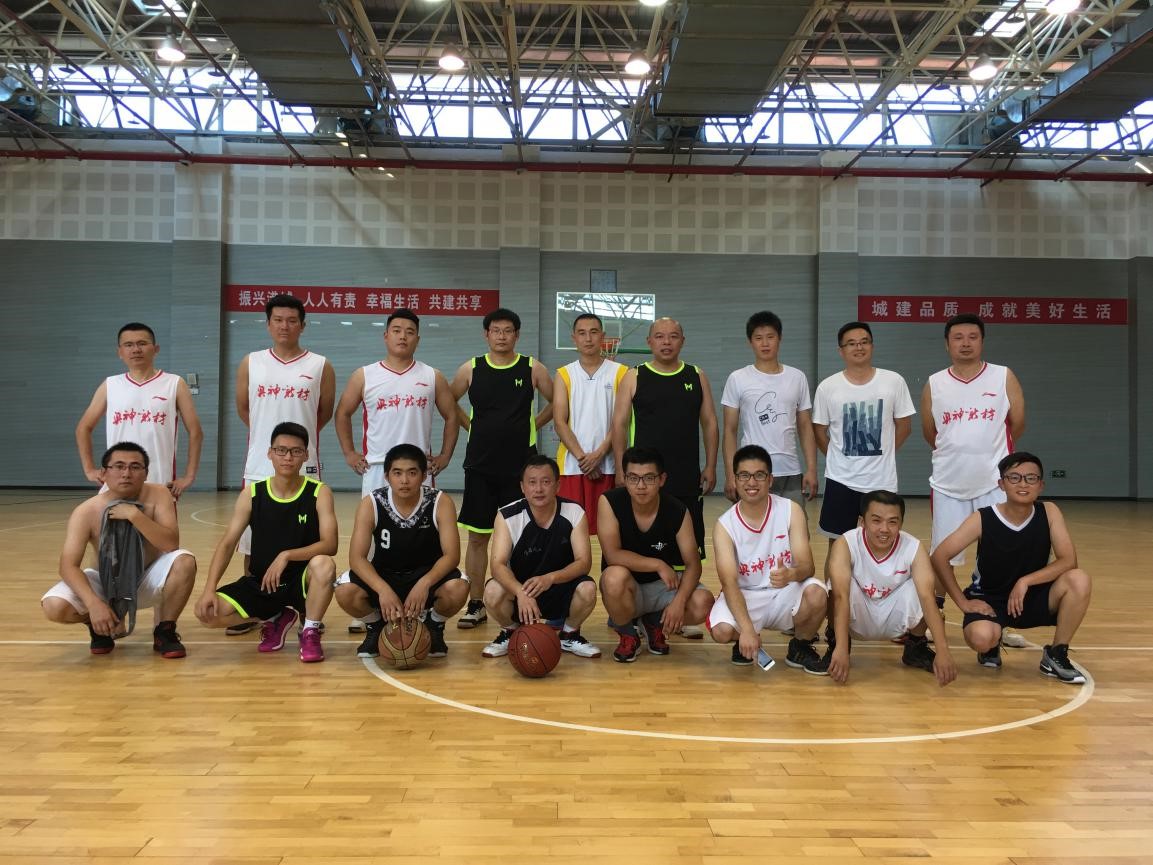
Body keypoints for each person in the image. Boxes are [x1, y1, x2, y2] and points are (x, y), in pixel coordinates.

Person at [931, 451, 1092, 684]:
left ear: (1041, 485)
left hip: (1032, 597)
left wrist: (1025, 581)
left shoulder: (1049, 512)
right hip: (990, 600)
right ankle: (991, 645)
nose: (1023, 484)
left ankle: (1056, 653)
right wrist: (963, 602)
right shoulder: (983, 518)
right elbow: (940, 556)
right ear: (1001, 484)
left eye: (1031, 478)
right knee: (981, 638)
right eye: (1014, 478)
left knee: (1079, 579)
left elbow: (1068, 561)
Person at [230, 293, 335, 636]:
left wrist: (296, 448)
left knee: (308, 539)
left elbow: (324, 413)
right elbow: (244, 408)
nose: (284, 326)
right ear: (268, 324)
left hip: (304, 465)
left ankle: (305, 607)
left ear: (303, 325)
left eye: (292, 320)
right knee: (252, 543)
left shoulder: (320, 365)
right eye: (278, 320)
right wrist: (270, 444)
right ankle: (257, 606)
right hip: (261, 465)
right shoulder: (251, 362)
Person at [922, 313, 1026, 647]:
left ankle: (1001, 623)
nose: (965, 343)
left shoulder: (1003, 376)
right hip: (948, 485)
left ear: (982, 341)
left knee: (998, 557)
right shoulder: (935, 382)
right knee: (943, 555)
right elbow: (930, 432)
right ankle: (933, 619)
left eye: (972, 337)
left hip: (993, 485)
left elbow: (1017, 424)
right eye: (958, 337)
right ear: (947, 344)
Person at [194, 422, 338, 663]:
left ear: (306, 455)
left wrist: (286, 555)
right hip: (263, 582)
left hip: (301, 580)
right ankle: (275, 617)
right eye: (281, 450)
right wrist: (209, 589)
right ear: (270, 453)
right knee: (208, 614)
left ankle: (310, 632)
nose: (287, 457)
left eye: (295, 451)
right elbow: (228, 543)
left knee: (324, 564)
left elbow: (330, 544)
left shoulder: (319, 492)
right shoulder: (252, 494)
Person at [42, 441, 196, 658]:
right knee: (54, 606)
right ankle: (98, 625)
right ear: (104, 473)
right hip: (106, 583)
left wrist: (135, 515)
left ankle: (165, 631)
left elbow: (170, 544)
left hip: (146, 578)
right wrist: (93, 605)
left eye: (135, 467)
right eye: (119, 466)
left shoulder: (159, 494)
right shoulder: (86, 511)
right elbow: (67, 566)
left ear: (145, 473)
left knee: (185, 561)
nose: (126, 473)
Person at [450, 308, 553, 630]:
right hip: (480, 466)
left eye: (508, 331)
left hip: (521, 470)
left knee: (522, 538)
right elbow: (448, 401)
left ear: (517, 335)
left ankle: (522, 600)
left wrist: (534, 425)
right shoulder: (471, 368)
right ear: (487, 334)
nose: (502, 336)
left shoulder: (533, 368)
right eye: (496, 330)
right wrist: (470, 427)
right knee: (478, 538)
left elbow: (558, 402)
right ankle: (476, 603)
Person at [334, 444, 468, 659]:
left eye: (412, 473)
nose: (404, 480)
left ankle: (433, 625)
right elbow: (357, 558)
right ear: (387, 476)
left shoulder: (440, 501)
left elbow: (452, 555)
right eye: (397, 473)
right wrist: (382, 590)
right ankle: (376, 627)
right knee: (345, 590)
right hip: (385, 574)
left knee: (458, 587)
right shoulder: (372, 503)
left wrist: (424, 584)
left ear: (424, 475)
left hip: (426, 575)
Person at [707, 445, 827, 673]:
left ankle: (800, 647)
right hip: (746, 595)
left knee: (818, 594)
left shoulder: (791, 510)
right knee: (721, 631)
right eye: (744, 475)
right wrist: (747, 630)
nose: (752, 482)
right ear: (735, 480)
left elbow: (807, 566)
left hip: (783, 592)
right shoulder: (725, 525)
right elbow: (729, 582)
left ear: (770, 480)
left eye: (759, 475)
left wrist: (791, 574)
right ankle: (743, 641)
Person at [611, 317, 718, 560]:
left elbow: (710, 423)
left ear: (682, 341)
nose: (666, 342)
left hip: (685, 474)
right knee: (644, 543)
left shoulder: (696, 375)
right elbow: (619, 424)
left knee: (687, 553)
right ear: (649, 341)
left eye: (673, 336)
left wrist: (711, 466)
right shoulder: (634, 375)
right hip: (644, 477)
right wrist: (620, 468)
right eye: (659, 336)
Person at [825, 490, 956, 686]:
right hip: (856, 616)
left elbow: (927, 599)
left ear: (901, 524)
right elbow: (841, 597)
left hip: (894, 616)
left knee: (925, 591)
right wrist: (841, 649)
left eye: (892, 522)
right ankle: (837, 644)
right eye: (876, 521)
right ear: (862, 521)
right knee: (835, 589)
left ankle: (915, 647)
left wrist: (943, 651)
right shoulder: (846, 543)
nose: (884, 529)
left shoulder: (913, 547)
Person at [598, 446, 715, 663]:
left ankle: (653, 623)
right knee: (613, 577)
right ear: (624, 478)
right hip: (628, 586)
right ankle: (627, 632)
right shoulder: (610, 502)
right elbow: (612, 555)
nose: (641, 486)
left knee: (703, 602)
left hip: (662, 588)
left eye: (649, 478)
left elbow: (693, 564)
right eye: (633, 478)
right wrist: (658, 564)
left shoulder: (678, 510)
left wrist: (679, 602)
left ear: (662, 479)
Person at [480, 455, 601, 660]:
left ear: (557, 485)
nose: (538, 489)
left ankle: (569, 634)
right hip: (521, 589)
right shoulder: (507, 515)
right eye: (532, 482)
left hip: (559, 586)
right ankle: (511, 632)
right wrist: (521, 593)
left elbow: (583, 563)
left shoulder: (574, 512)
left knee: (588, 588)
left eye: (546, 482)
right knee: (492, 591)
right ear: (522, 487)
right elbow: (497, 565)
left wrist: (550, 578)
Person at [334, 308, 459, 497]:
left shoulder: (433, 376)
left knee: (421, 516)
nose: (403, 337)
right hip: (377, 466)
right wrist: (349, 453)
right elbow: (342, 413)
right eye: (397, 330)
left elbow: (452, 416)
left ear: (418, 339)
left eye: (410, 332)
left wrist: (445, 456)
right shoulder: (364, 375)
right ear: (386, 336)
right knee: (374, 515)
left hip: (418, 467)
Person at [812, 321, 915, 541]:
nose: (859, 347)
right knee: (838, 543)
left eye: (864, 342)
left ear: (872, 346)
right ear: (841, 351)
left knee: (881, 541)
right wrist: (838, 456)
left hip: (882, 481)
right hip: (841, 480)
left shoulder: (894, 381)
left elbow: (905, 427)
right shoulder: (827, 387)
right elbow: (819, 431)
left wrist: (884, 451)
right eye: (851, 343)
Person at [76, 323, 203, 498]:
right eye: (128, 345)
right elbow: (83, 428)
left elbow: (196, 432)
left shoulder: (174, 383)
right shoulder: (110, 385)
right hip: (116, 484)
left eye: (142, 343)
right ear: (120, 352)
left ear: (156, 349)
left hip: (160, 483)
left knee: (159, 517)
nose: (136, 349)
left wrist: (189, 476)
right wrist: (89, 469)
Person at [722, 310, 817, 511]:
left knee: (794, 526)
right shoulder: (737, 378)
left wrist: (811, 469)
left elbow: (805, 427)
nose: (765, 343)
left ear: (779, 338)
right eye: (758, 338)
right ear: (750, 342)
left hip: (790, 471)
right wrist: (731, 474)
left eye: (770, 337)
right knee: (753, 527)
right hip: (752, 472)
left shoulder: (797, 377)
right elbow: (729, 430)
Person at [552, 313, 627, 535]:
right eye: (582, 333)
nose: (588, 338)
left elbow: (622, 421)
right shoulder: (564, 374)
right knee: (569, 531)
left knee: (610, 531)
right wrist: (584, 459)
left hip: (609, 466)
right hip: (571, 466)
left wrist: (599, 455)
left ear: (602, 336)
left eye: (594, 332)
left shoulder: (622, 372)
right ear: (573, 338)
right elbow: (559, 422)